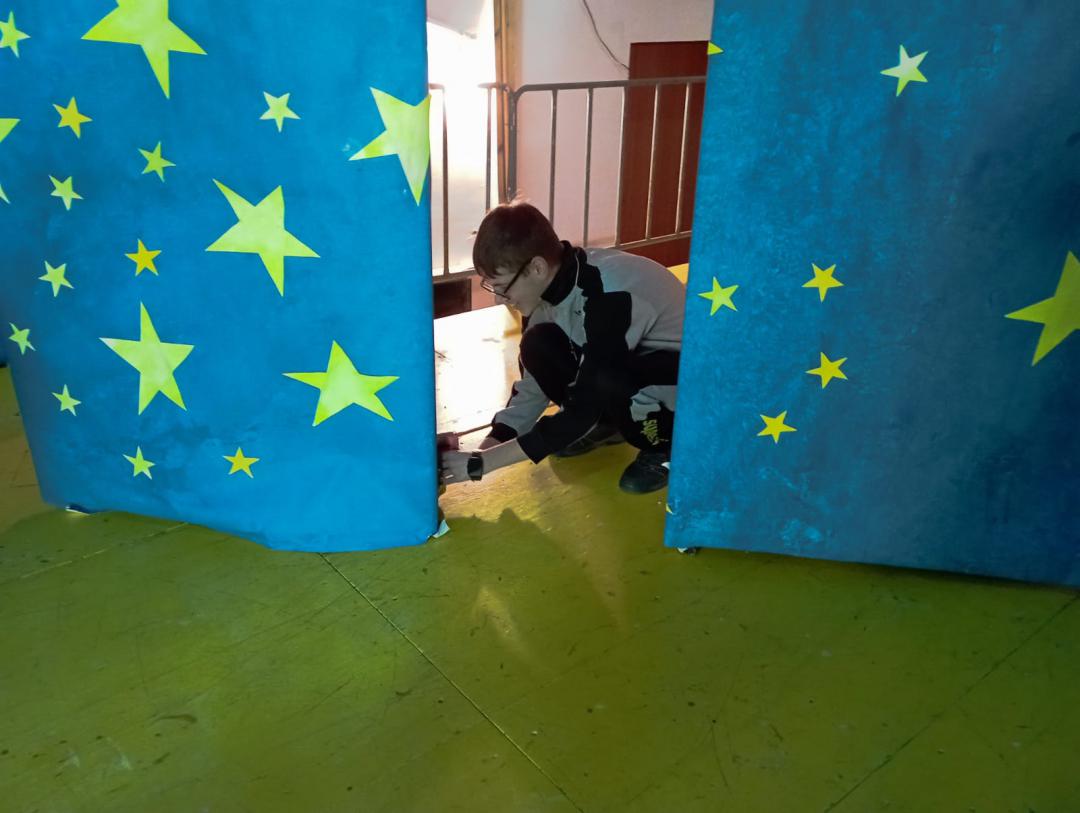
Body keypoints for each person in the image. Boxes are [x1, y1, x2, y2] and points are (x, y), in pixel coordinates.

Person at [439, 201, 684, 494]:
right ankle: (607, 426)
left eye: (502, 287)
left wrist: (481, 465)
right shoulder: (550, 288)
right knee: (537, 344)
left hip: (684, 387)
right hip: (631, 368)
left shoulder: (608, 298)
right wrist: (484, 448)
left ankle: (666, 447)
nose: (499, 299)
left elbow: (586, 402)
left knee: (608, 379)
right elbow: (532, 388)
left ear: (537, 268)